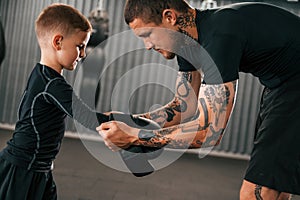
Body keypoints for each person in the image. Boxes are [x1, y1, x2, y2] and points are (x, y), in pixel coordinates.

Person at [97, 0, 300, 199]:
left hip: (293, 85)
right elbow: (183, 107)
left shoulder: (220, 34)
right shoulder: (186, 42)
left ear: (169, 17)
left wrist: (135, 136)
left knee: (255, 192)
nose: (148, 45)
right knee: (275, 185)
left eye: (148, 35)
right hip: (282, 86)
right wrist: (129, 121)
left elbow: (208, 132)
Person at [0, 3, 112, 199]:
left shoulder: (40, 74)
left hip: (39, 169)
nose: (83, 54)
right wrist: (132, 125)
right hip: (22, 171)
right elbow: (86, 117)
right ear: (58, 42)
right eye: (80, 46)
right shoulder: (53, 85)